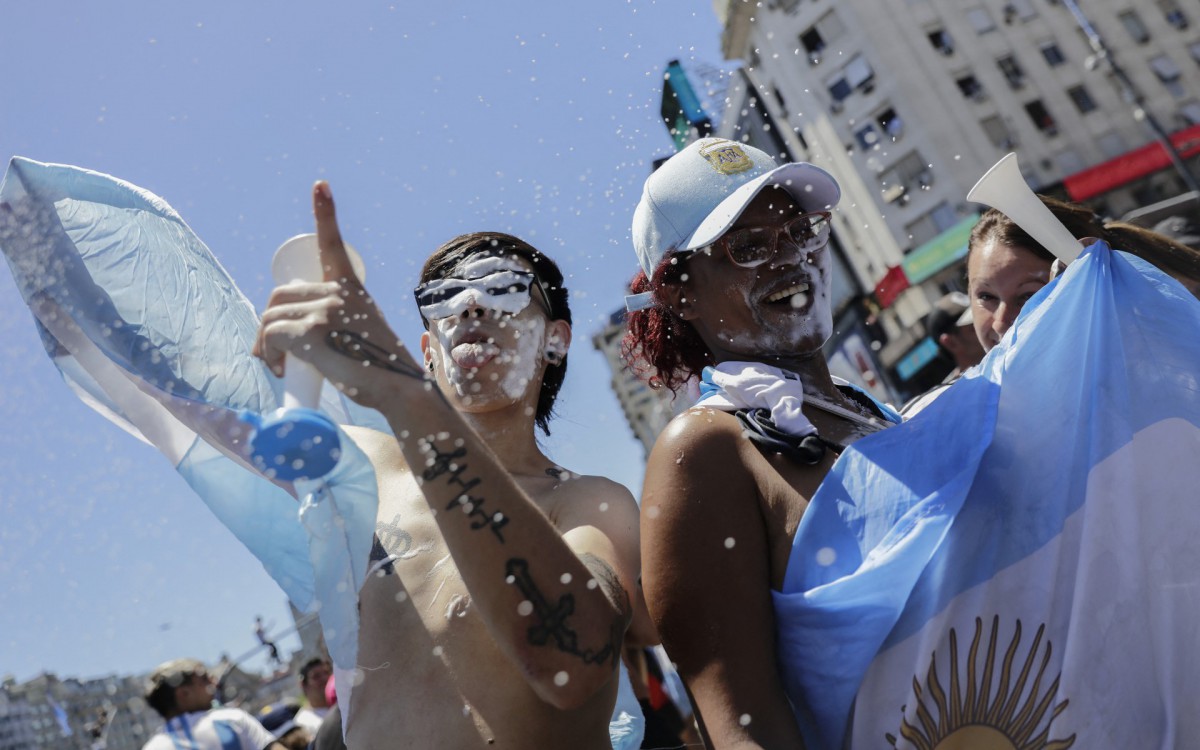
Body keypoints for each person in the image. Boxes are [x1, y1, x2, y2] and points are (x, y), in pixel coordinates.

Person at [253, 183, 641, 748]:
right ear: (428, 351)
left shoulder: (590, 504)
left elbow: (573, 666)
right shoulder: (360, 466)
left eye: (503, 288)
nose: (470, 305)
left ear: (555, 341)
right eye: (444, 296)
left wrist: (405, 394)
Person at [621, 137, 901, 748]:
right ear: (680, 293)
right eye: (747, 247)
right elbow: (743, 729)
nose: (792, 258)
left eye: (801, 232)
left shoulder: (870, 410)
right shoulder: (705, 450)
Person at [141, 659, 283, 750]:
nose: (214, 684)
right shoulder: (230, 720)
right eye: (204, 680)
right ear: (183, 693)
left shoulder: (153, 747)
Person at [291, 658, 332, 734]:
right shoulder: (303, 723)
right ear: (303, 685)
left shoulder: (345, 706)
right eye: (316, 676)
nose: (325, 678)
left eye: (326, 672)